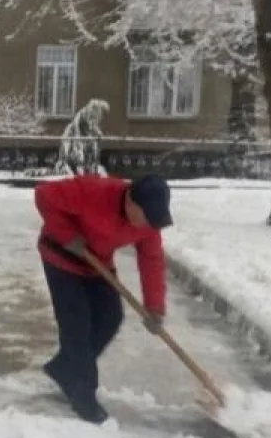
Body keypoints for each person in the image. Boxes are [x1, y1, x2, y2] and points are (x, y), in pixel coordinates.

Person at [34, 173, 172, 424]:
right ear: (131, 201)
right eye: (145, 217)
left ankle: (65, 369)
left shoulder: (148, 224)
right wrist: (67, 235)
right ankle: (82, 393)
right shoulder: (94, 190)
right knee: (76, 324)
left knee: (110, 317)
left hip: (97, 263)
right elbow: (43, 195)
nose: (148, 225)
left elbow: (151, 259)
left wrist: (155, 307)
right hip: (61, 255)